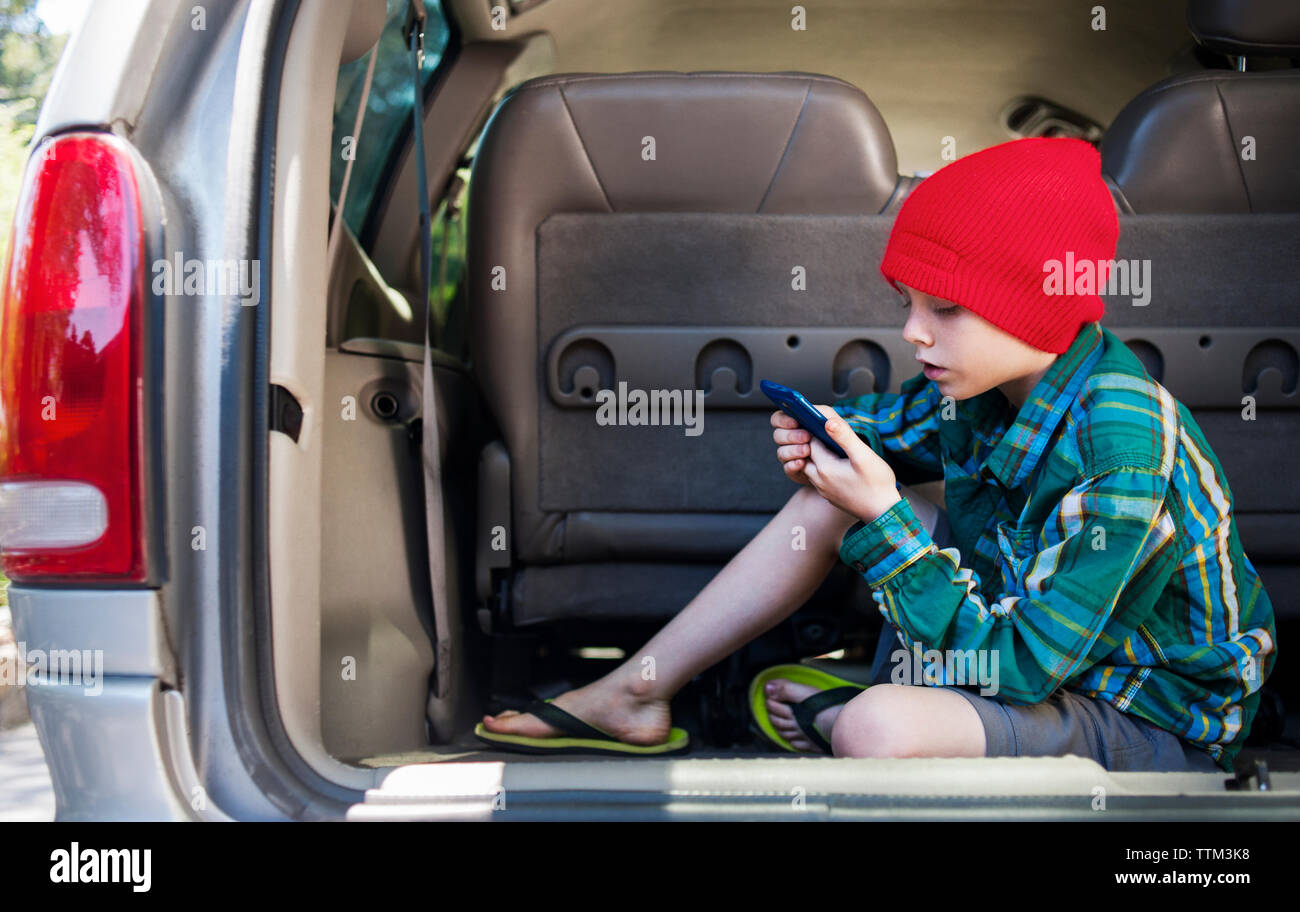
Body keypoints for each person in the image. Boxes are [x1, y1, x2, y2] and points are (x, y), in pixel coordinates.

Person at [478, 137, 1277, 772]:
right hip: (1035, 650)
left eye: (947, 308)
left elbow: (1025, 669)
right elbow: (891, 423)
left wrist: (888, 518)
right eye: (908, 305)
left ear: (1039, 306)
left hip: (1147, 717)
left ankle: (865, 703)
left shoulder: (1121, 454)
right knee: (828, 498)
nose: (913, 333)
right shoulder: (985, 384)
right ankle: (635, 691)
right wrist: (828, 435)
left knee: (879, 730)